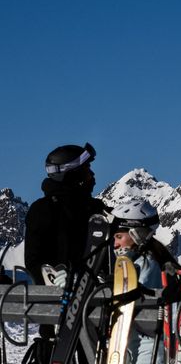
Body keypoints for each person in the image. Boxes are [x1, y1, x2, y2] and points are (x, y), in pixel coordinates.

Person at [24, 142, 108, 363]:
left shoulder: (95, 212)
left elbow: (105, 256)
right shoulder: (43, 210)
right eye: (87, 170)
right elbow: (33, 258)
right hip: (56, 313)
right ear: (74, 174)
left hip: (93, 312)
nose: (93, 176)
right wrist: (50, 275)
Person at [110, 200, 164, 364]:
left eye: (119, 237)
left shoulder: (148, 264)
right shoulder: (139, 262)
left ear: (136, 234)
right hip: (132, 348)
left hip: (150, 351)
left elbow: (133, 296)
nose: (115, 244)